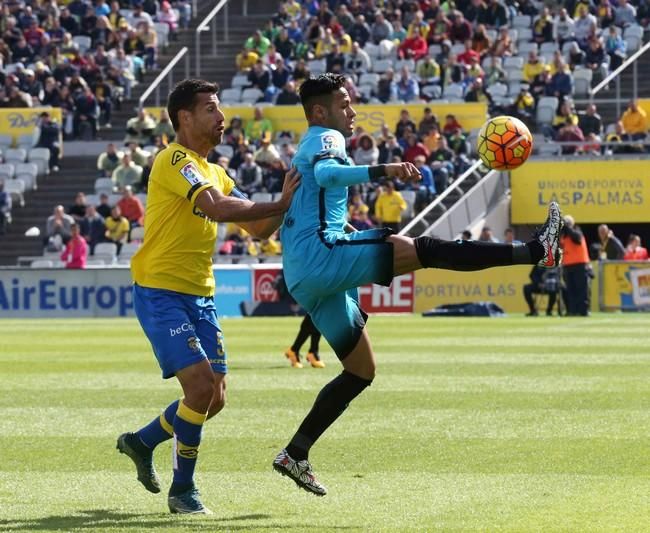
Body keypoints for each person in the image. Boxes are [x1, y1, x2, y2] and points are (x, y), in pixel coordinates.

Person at [271, 74, 563, 496]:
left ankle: (295, 453)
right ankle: (537, 251)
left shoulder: (307, 145)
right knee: (427, 250)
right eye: (345, 104)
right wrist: (383, 169)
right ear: (320, 111)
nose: (352, 112)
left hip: (304, 272)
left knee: (360, 370)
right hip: (322, 256)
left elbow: (311, 200)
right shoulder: (325, 140)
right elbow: (330, 175)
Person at [116, 79, 300, 515]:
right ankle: (183, 492)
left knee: (214, 398)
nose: (222, 119)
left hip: (201, 294)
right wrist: (279, 201)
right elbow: (217, 208)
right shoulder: (174, 159)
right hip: (161, 290)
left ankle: (142, 442)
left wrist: (295, 200)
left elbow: (257, 228)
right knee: (198, 388)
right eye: (212, 109)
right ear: (185, 117)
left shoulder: (216, 171)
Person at [560, 215, 591, 316]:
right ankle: (572, 311)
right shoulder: (564, 235)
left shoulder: (577, 232)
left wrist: (567, 227)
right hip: (568, 266)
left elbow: (576, 238)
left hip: (579, 265)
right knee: (570, 290)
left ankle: (583, 311)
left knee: (581, 289)